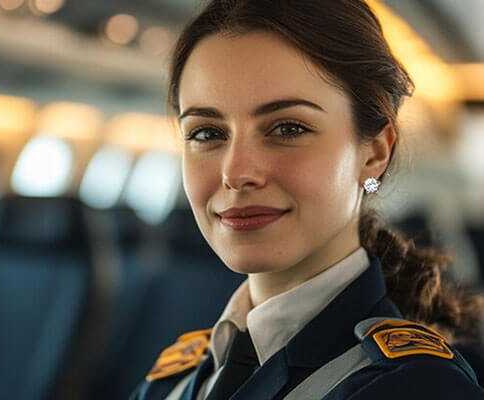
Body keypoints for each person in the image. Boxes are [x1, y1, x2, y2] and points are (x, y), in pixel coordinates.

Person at [129, 0, 484, 399]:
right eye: (207, 133)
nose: (236, 173)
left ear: (374, 152)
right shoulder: (171, 384)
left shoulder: (418, 389)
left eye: (287, 128)